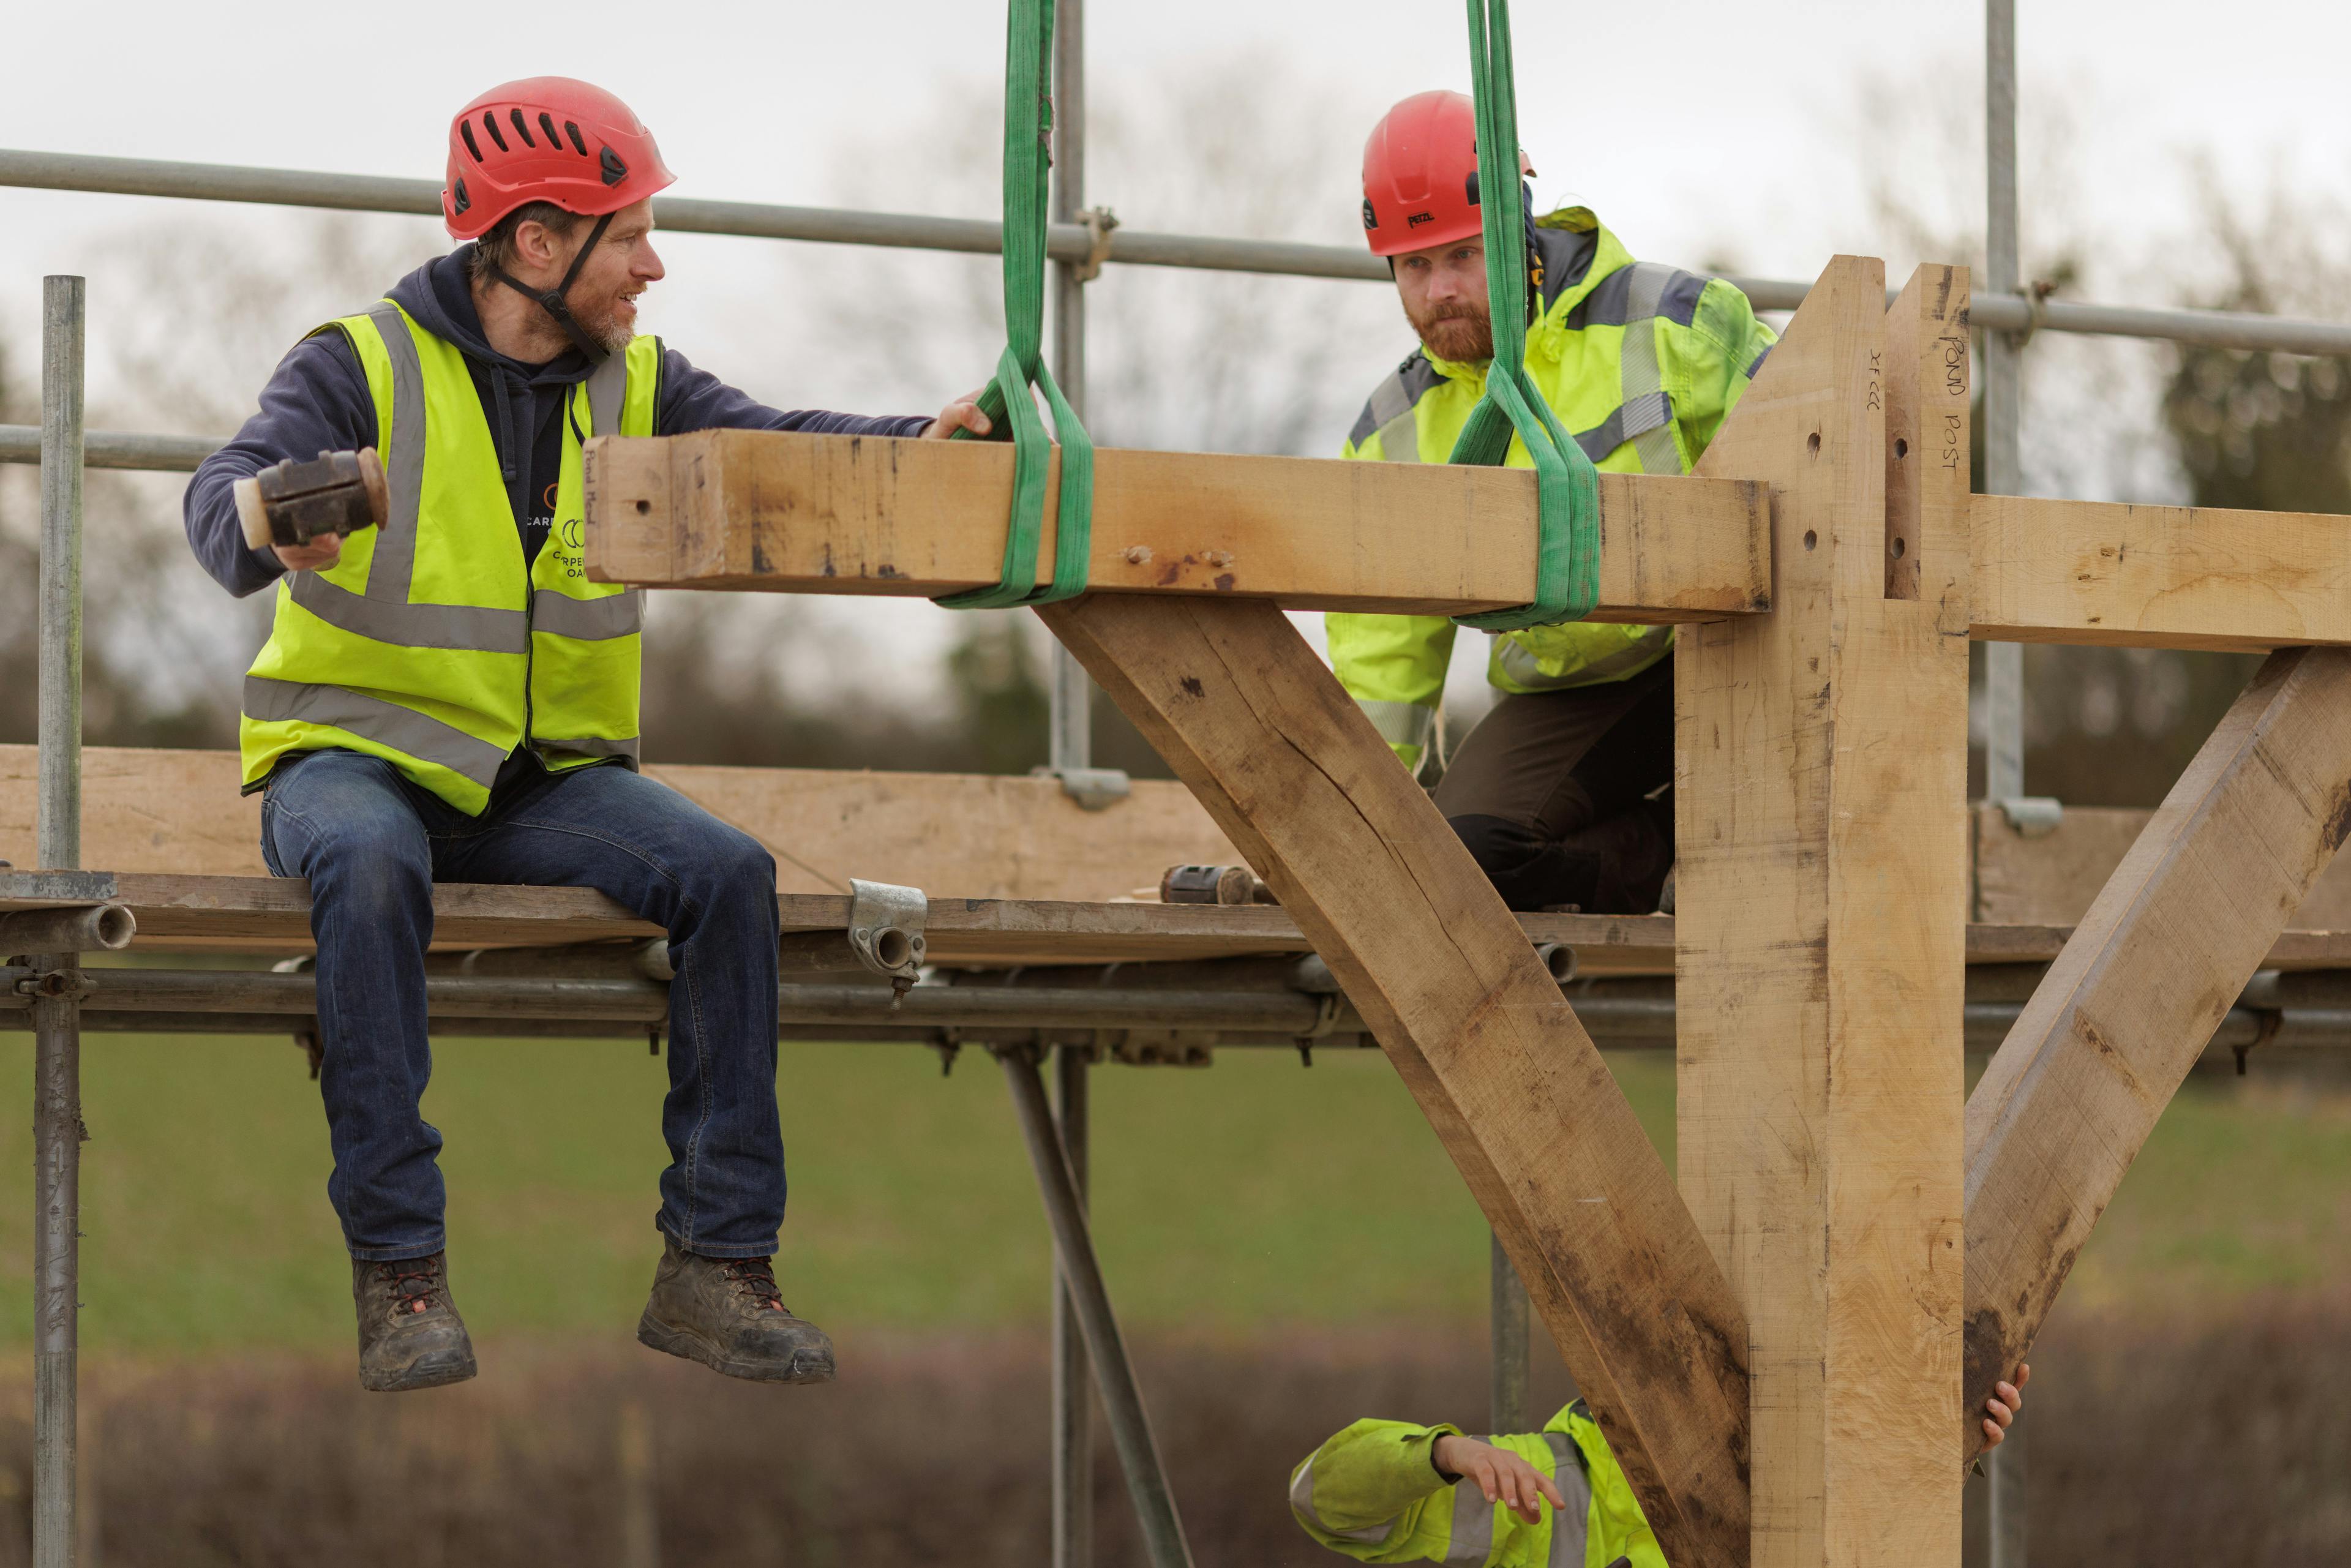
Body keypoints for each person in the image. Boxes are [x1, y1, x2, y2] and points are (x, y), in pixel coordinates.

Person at [182, 77, 989, 1394]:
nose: (653, 263)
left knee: (727, 874)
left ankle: (717, 1261)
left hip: (539, 783)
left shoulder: (641, 382)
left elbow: (777, 447)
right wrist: (275, 514)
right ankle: (400, 1268)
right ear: (538, 244)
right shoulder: (358, 360)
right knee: (371, 864)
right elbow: (220, 501)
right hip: (347, 762)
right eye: (631, 234)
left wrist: (921, 441)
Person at [1330, 90, 1779, 914]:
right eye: (1415, 266)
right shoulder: (1394, 430)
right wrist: (1357, 846)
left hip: (1740, 656)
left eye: (1463, 256)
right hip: (1573, 695)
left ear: (1519, 230)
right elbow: (1381, 662)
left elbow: (1821, 454)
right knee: (1463, 858)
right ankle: (1676, 854)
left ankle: (1746, 827)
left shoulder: (1677, 325)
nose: (1441, 294)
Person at [1290, 1369, 2029, 1567]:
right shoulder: (1560, 1489)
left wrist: (1942, 1452)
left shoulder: (1799, 1473)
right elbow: (1322, 1500)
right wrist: (1445, 1454)